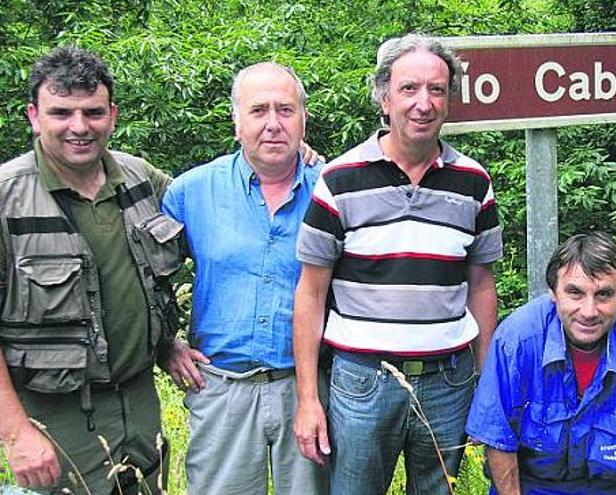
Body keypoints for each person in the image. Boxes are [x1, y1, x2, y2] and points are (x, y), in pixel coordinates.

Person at [292, 34, 503, 495]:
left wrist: (488, 385)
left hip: (450, 381)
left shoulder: (474, 182)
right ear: (384, 97)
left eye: (437, 89)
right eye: (409, 89)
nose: (423, 103)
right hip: (363, 383)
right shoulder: (339, 180)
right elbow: (310, 292)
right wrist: (308, 399)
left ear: (451, 100)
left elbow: (482, 285)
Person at [0, 46, 183, 494]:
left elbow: (215, 200)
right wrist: (17, 433)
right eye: (61, 112)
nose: (79, 127)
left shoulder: (139, 178)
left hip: (140, 404)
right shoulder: (6, 198)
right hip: (56, 417)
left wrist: (295, 159)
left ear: (113, 114)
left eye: (92, 112)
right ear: (33, 115)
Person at [160, 62, 328, 494]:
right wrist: (165, 343)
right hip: (221, 391)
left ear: (303, 119)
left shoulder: (331, 191)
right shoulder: (190, 192)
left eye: (286, 110)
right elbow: (148, 279)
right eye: (258, 111)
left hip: (309, 389)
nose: (273, 124)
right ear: (236, 121)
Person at [467, 232, 616, 495]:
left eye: (604, 294)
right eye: (575, 293)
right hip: (534, 488)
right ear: (553, 293)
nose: (589, 311)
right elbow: (498, 440)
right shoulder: (517, 338)